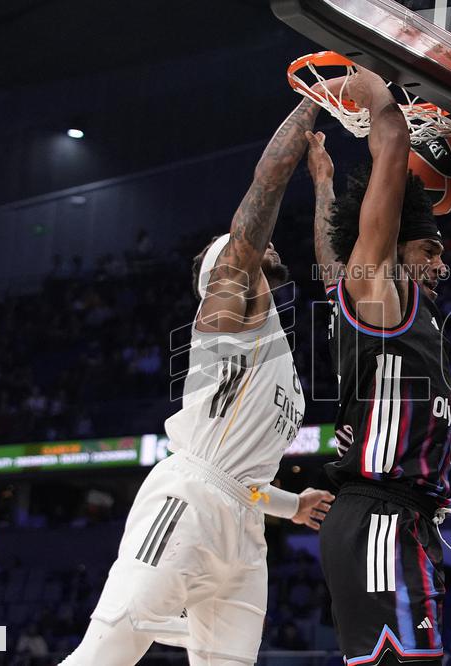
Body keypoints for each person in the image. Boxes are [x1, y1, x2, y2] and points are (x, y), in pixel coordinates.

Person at [60, 97, 336, 666]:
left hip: (245, 527)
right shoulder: (225, 317)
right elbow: (265, 184)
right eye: (245, 252)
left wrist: (290, 504)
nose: (262, 249)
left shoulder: (274, 341)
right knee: (109, 651)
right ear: (226, 272)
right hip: (187, 502)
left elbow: (244, 482)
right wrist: (313, 101)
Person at [306, 67, 451, 665]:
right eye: (430, 250)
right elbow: (392, 153)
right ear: (392, 250)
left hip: (396, 518)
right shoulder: (380, 293)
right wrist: (375, 82)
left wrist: (324, 184)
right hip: (381, 516)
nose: (442, 265)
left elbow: (329, 259)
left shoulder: (371, 300)